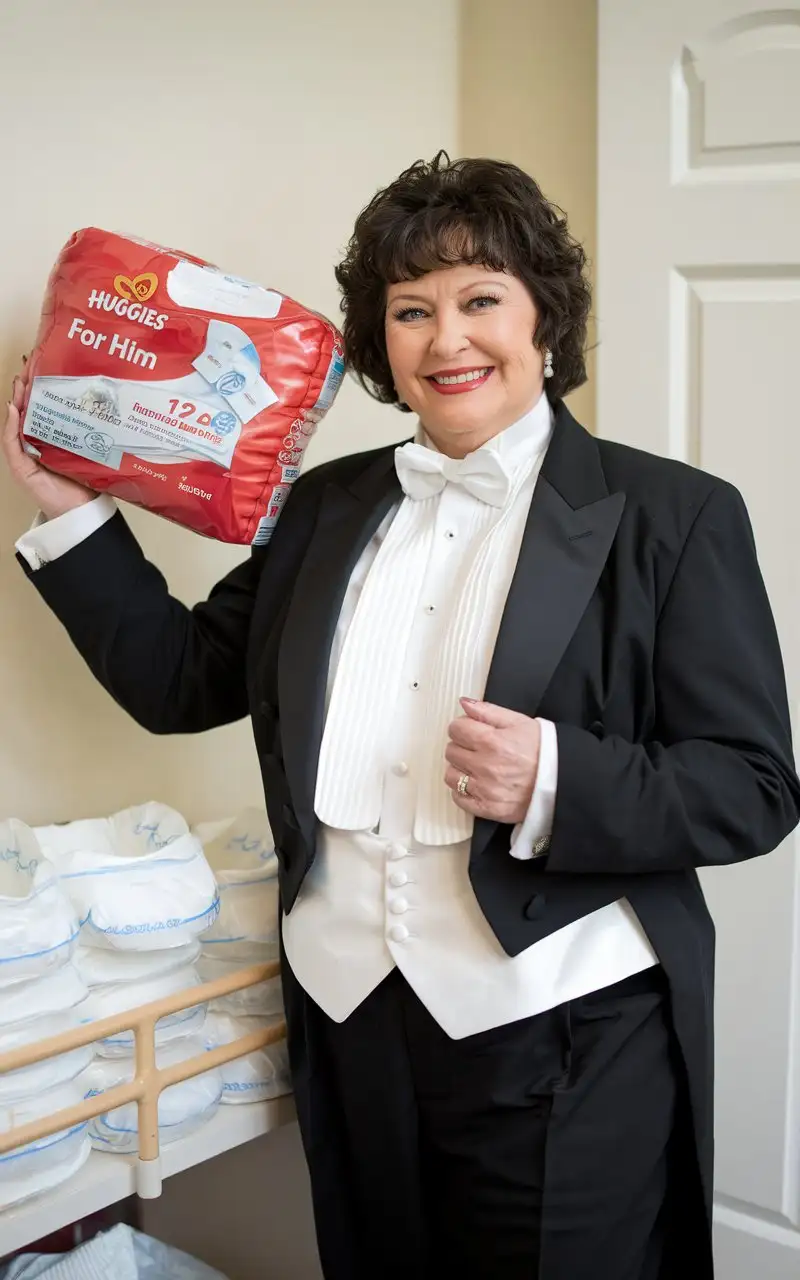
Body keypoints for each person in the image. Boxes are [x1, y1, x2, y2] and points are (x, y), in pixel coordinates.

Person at [4, 153, 799, 1280]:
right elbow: (180, 679)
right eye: (410, 310)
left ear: (544, 320)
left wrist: (554, 776)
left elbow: (751, 786)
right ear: (381, 343)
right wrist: (72, 513)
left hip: (563, 1033)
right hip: (349, 1023)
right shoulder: (322, 504)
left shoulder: (673, 516)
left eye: (480, 299)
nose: (446, 339)